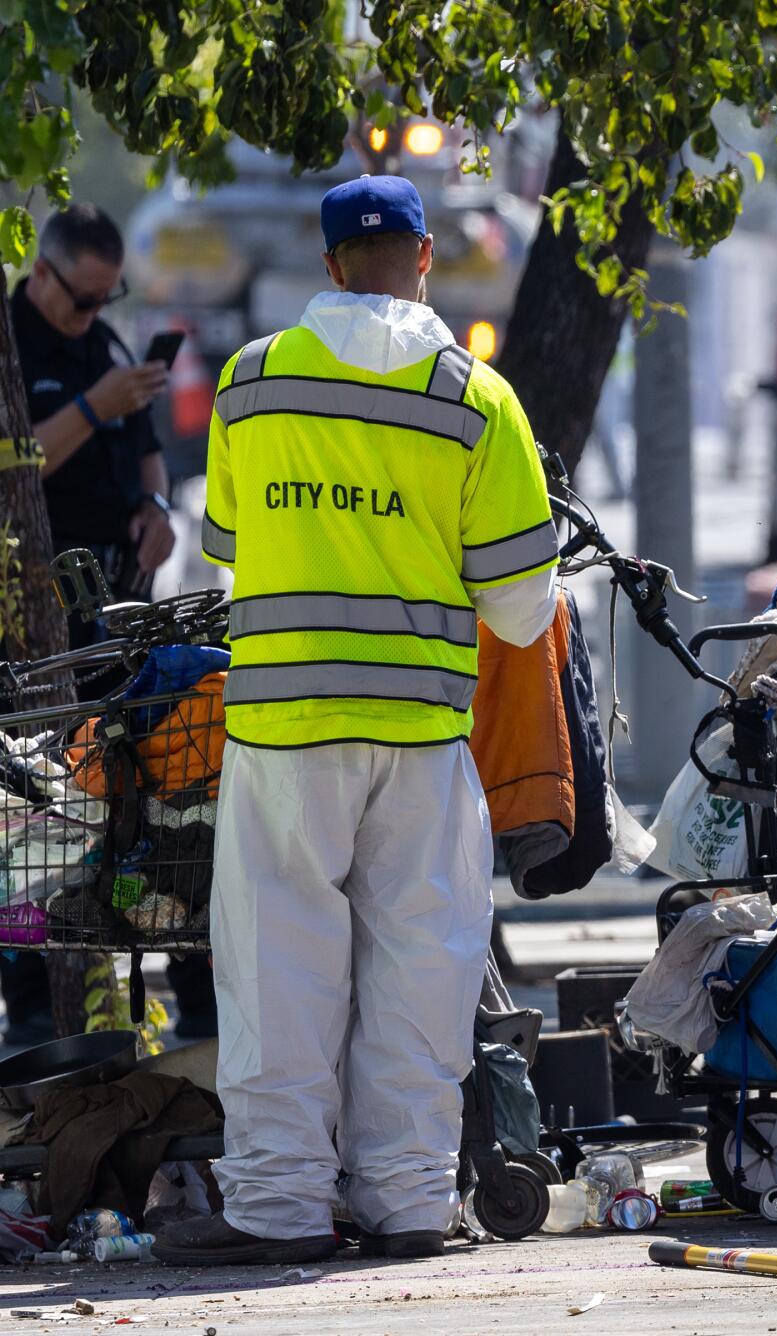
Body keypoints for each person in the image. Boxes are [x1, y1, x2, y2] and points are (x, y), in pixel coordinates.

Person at [154, 176, 559, 1265]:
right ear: (426, 256)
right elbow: (523, 608)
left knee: (278, 964)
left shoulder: (248, 386)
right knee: (420, 964)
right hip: (423, 735)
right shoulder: (478, 401)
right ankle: (410, 1202)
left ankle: (282, 1202)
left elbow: (229, 546)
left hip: (282, 729)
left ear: (329, 264)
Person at [0, 204, 214, 1049]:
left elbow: (147, 448)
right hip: (31, 629)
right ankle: (36, 1013)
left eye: (106, 298)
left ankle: (193, 1001)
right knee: (36, 824)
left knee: (160, 809)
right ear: (42, 273)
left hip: (110, 617)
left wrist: (157, 508)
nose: (92, 314)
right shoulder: (14, 345)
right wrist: (93, 405)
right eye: (81, 299)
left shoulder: (105, 348)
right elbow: (20, 462)